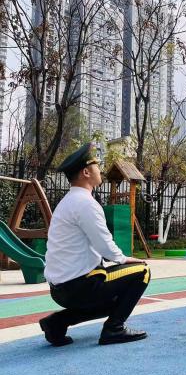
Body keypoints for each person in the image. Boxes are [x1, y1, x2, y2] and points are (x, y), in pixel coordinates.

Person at [40, 143, 150, 346]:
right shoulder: (85, 203)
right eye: (96, 166)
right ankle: (114, 329)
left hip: (60, 289)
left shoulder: (67, 202)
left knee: (115, 301)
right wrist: (124, 259)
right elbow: (105, 246)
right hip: (78, 286)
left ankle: (57, 322)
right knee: (142, 271)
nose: (100, 170)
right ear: (86, 172)